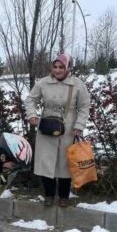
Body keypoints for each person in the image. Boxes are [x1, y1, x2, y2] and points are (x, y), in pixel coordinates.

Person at [25, 53, 91, 208]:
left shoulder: (77, 84)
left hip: (68, 128)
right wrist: (32, 115)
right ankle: (48, 195)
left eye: (61, 67)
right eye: (55, 67)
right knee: (46, 163)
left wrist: (79, 126)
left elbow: (84, 106)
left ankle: (63, 196)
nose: (58, 70)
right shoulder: (43, 83)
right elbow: (31, 100)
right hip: (47, 126)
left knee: (65, 164)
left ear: (68, 68)